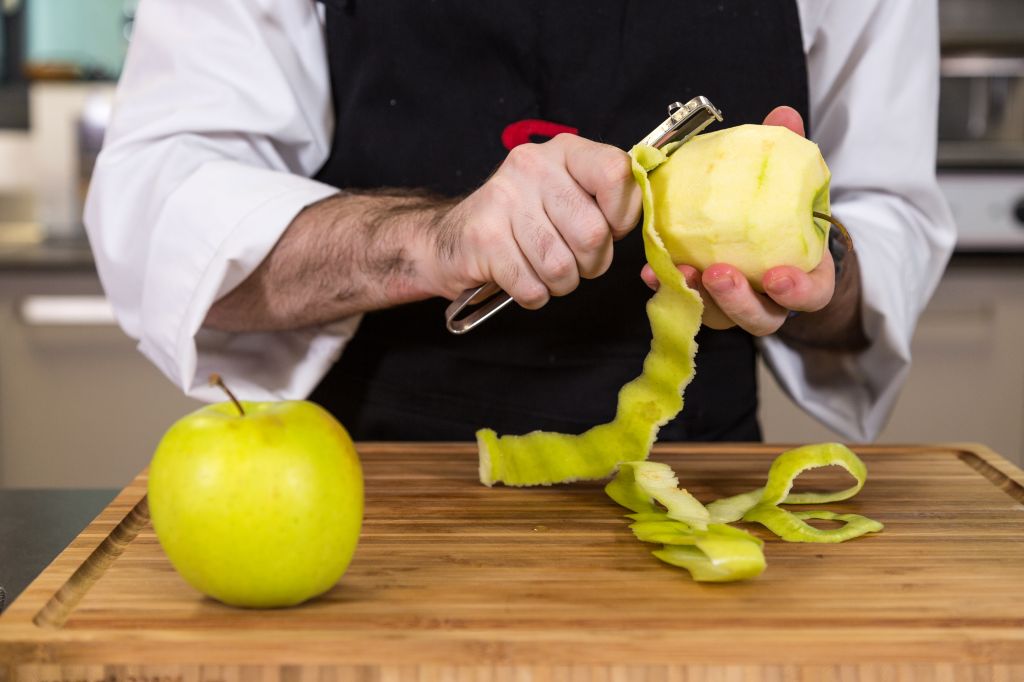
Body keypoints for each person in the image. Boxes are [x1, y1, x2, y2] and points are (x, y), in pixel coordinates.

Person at [84, 0, 955, 442]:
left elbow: (885, 220)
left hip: (700, 467)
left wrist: (821, 273)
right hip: (369, 498)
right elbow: (164, 209)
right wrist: (432, 241)